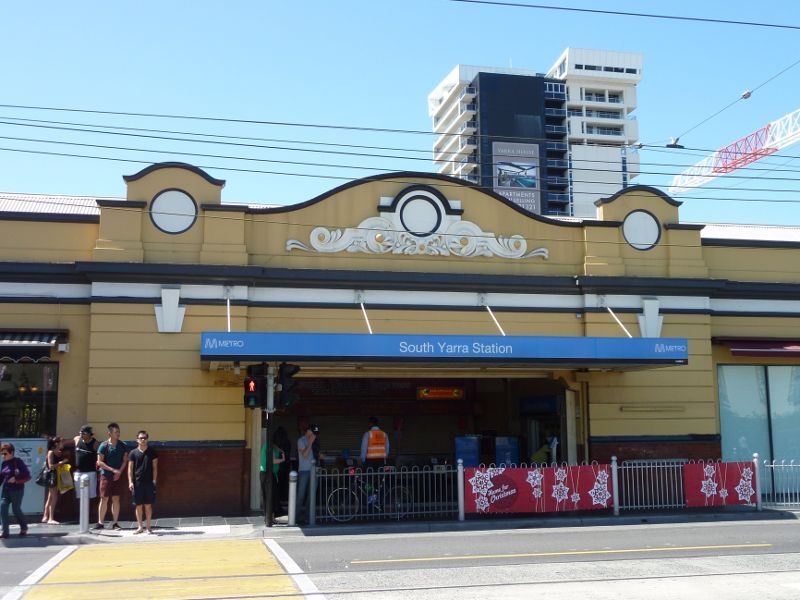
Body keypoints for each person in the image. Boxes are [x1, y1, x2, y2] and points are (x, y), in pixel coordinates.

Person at [95, 422, 128, 531]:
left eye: (119, 431)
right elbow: (100, 462)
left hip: (117, 476)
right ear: (109, 433)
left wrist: (119, 472)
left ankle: (115, 523)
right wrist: (113, 470)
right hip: (105, 475)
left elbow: (125, 460)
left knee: (116, 498)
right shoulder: (103, 446)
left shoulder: (123, 445)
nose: (118, 434)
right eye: (116, 432)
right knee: (104, 498)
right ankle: (100, 523)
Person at [127, 430, 158, 535]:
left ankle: (148, 527)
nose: (143, 440)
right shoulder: (133, 453)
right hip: (137, 483)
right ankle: (140, 527)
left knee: (148, 505)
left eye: (145, 438)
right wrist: (130, 482)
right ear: (137, 440)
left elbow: (155, 467)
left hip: (149, 482)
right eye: (141, 438)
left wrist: (154, 480)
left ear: (147, 439)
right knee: (138, 505)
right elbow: (130, 469)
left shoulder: (152, 452)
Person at [0, 442, 31, 538]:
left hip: (16, 490)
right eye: (2, 454)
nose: (3, 456)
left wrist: (16, 479)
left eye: (5, 453)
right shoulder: (4, 463)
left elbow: (27, 474)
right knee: (2, 508)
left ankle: (24, 527)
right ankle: (5, 532)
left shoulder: (18, 462)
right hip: (6, 490)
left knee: (16, 510)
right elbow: (1, 477)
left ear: (12, 452)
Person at [296, 424, 319, 524]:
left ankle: (308, 517)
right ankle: (295, 517)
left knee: (311, 496)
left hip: (314, 470)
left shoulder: (315, 441)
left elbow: (315, 454)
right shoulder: (301, 441)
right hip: (304, 471)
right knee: (301, 495)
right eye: (313, 432)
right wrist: (310, 442)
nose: (314, 435)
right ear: (308, 431)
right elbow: (305, 455)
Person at [42, 436, 68, 524]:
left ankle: (45, 516)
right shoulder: (51, 452)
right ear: (56, 444)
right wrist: (62, 462)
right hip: (51, 477)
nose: (63, 444)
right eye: (61, 442)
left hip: (56, 476)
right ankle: (51, 518)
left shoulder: (59, 452)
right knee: (54, 497)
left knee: (50, 497)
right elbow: (51, 466)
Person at [73, 424, 99, 501]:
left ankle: (88, 508)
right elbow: (64, 442)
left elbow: (100, 456)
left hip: (90, 473)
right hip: (79, 473)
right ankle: (82, 509)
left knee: (89, 495)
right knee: (80, 495)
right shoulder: (77, 439)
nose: (81, 434)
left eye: (84, 433)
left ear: (89, 434)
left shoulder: (95, 443)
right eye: (80, 432)